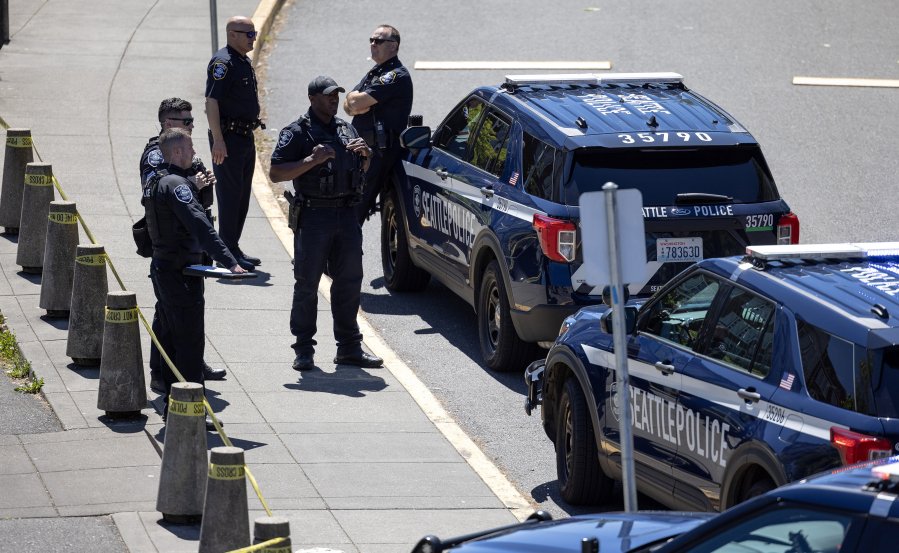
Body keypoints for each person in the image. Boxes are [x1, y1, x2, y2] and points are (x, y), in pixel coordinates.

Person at [270, 76, 384, 371]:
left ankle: (349, 347)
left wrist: (366, 157)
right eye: (328, 95)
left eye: (337, 95)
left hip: (346, 216)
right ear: (312, 98)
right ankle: (304, 349)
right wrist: (311, 160)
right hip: (314, 217)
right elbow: (276, 172)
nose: (334, 100)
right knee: (307, 284)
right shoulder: (297, 132)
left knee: (349, 284)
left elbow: (360, 169)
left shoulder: (346, 129)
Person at [143, 128, 247, 428]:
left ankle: (172, 407)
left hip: (165, 269)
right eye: (190, 147)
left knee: (170, 340)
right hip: (181, 275)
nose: (194, 152)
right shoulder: (178, 185)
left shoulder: (156, 181)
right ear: (176, 152)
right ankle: (189, 413)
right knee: (189, 344)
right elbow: (200, 225)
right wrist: (230, 262)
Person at [140, 98, 226, 394]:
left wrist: (201, 184)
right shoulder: (157, 156)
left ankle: (188, 367)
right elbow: (166, 193)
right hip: (172, 247)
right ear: (168, 124)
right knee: (168, 319)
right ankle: (162, 374)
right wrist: (194, 184)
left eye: (192, 120)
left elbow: (196, 186)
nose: (191, 125)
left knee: (182, 322)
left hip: (191, 246)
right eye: (186, 121)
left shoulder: (186, 149)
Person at [205, 15, 263, 270]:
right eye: (249, 34)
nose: (253, 38)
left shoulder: (241, 61)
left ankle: (233, 246)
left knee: (241, 196)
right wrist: (218, 140)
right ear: (232, 35)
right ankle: (226, 252)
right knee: (229, 196)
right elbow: (211, 102)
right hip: (228, 138)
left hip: (244, 137)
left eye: (254, 34)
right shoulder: (223, 63)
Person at [343, 25, 413, 226]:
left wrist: (356, 103)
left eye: (379, 41)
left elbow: (354, 103)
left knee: (355, 208)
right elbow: (347, 105)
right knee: (347, 202)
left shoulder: (395, 75)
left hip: (378, 153)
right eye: (371, 40)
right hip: (363, 149)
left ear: (393, 46)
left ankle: (338, 255)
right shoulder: (375, 72)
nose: (373, 44)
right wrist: (355, 103)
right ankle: (335, 254)